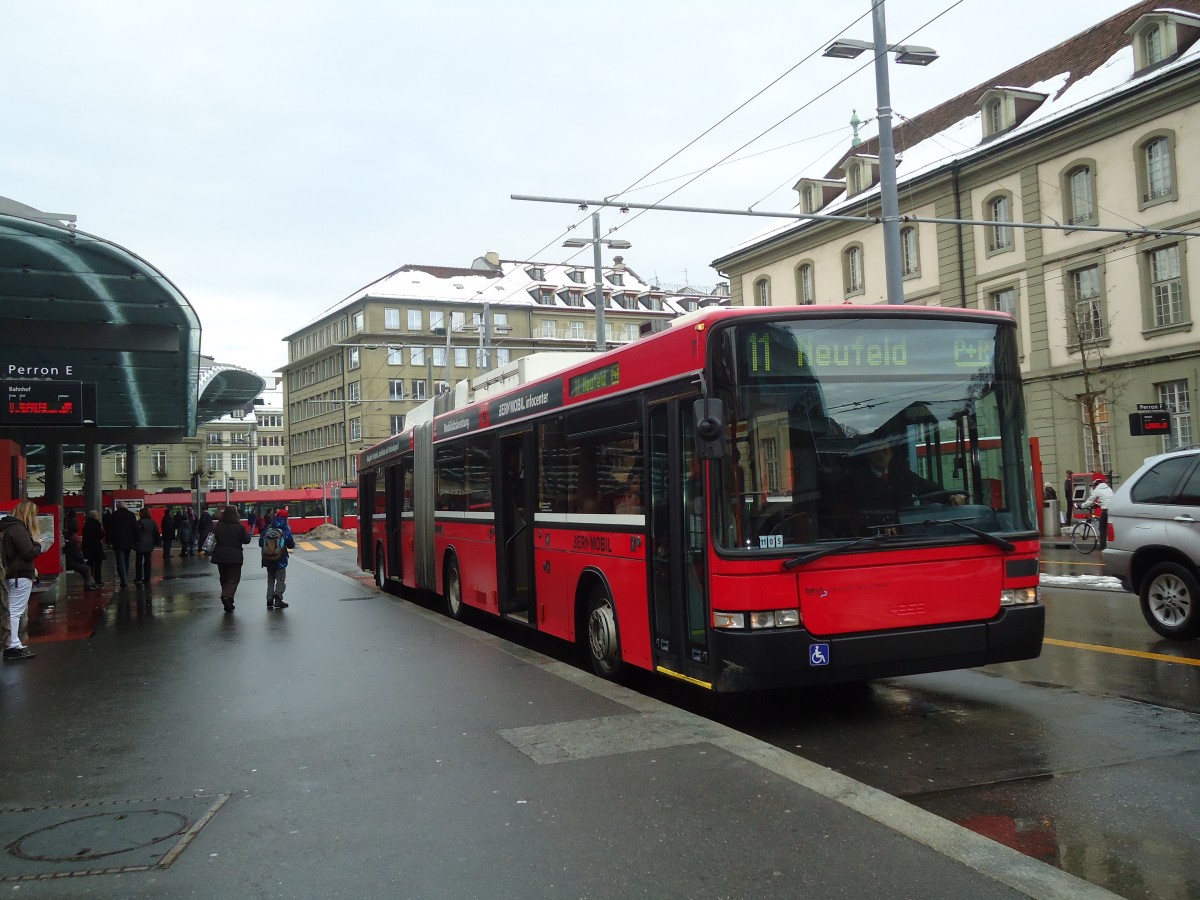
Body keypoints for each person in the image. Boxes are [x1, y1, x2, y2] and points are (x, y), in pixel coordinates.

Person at [1, 499, 43, 661]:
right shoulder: (18, 529)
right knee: (15, 611)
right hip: (20, 574)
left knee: (10, 609)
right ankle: (12, 645)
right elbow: (28, 553)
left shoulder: (6, 527)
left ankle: (14, 642)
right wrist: (38, 545)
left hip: (9, 573)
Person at [210, 505, 252, 613]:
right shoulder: (239, 526)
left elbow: (212, 537)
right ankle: (226, 596)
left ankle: (229, 602)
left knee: (224, 578)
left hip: (220, 556)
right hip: (235, 557)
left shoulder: (219, 525)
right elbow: (246, 540)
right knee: (233, 579)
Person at [260, 507, 296, 609]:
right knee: (280, 579)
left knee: (270, 579)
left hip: (268, 559)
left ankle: (269, 599)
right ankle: (278, 599)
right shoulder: (285, 528)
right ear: (285, 518)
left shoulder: (269, 526)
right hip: (280, 559)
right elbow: (290, 544)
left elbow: (260, 543)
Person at [107, 501, 139, 587]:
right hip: (129, 541)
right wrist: (136, 540)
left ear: (117, 507)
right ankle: (125, 577)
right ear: (125, 507)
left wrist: (109, 541)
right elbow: (135, 528)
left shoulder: (113, 516)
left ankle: (123, 580)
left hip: (117, 542)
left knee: (120, 561)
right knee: (126, 560)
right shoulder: (131, 515)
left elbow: (109, 530)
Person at [1081, 476, 1114, 549]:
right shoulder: (1108, 488)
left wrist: (1082, 506)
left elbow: (1090, 501)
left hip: (1106, 510)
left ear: (1096, 485)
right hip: (1113, 509)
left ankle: (1103, 547)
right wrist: (1098, 504)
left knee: (1102, 528)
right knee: (1111, 527)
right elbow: (1106, 499)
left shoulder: (1097, 490)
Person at [134, 507, 160, 585]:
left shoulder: (140, 522)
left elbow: (137, 532)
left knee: (139, 561)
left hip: (140, 544)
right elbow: (156, 531)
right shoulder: (152, 521)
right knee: (147, 560)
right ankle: (147, 577)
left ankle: (138, 578)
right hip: (149, 543)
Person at [82, 509, 106, 587]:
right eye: (97, 516)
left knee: (90, 565)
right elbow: (101, 535)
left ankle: (89, 581)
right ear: (94, 517)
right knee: (98, 565)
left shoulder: (86, 524)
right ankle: (98, 580)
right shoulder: (97, 524)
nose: (98, 517)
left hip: (88, 547)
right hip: (96, 547)